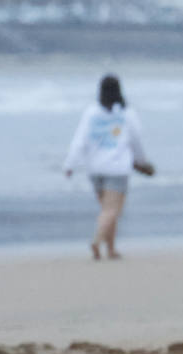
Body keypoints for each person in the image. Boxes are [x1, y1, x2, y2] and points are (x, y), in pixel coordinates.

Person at [63, 74, 153, 261]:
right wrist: (142, 162)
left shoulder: (91, 112)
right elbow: (137, 141)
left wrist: (70, 164)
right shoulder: (126, 114)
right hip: (117, 167)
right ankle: (97, 240)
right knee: (111, 211)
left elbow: (79, 140)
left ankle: (111, 249)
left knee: (107, 210)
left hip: (95, 168)